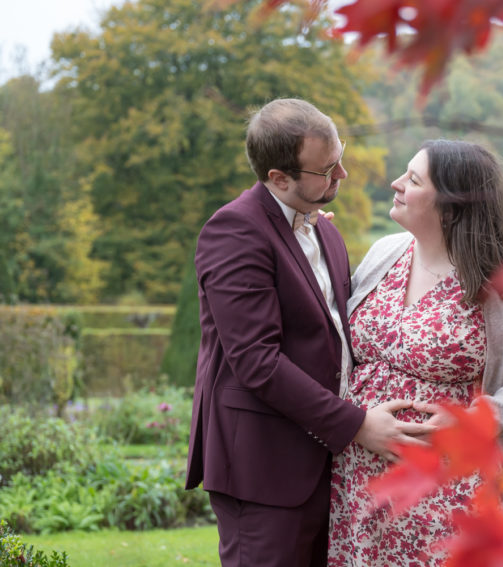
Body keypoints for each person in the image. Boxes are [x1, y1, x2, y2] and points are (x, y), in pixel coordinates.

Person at [185, 98, 434, 567]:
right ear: (279, 179)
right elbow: (258, 363)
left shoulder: (326, 232)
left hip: (328, 463)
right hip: (264, 465)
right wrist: (357, 425)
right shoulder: (234, 231)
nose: (342, 175)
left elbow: (337, 335)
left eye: (341, 157)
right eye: (326, 169)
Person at [328, 140, 503, 566]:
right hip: (359, 481)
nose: (396, 184)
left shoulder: (502, 279)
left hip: (452, 489)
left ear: (450, 207)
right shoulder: (385, 252)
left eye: (414, 179)